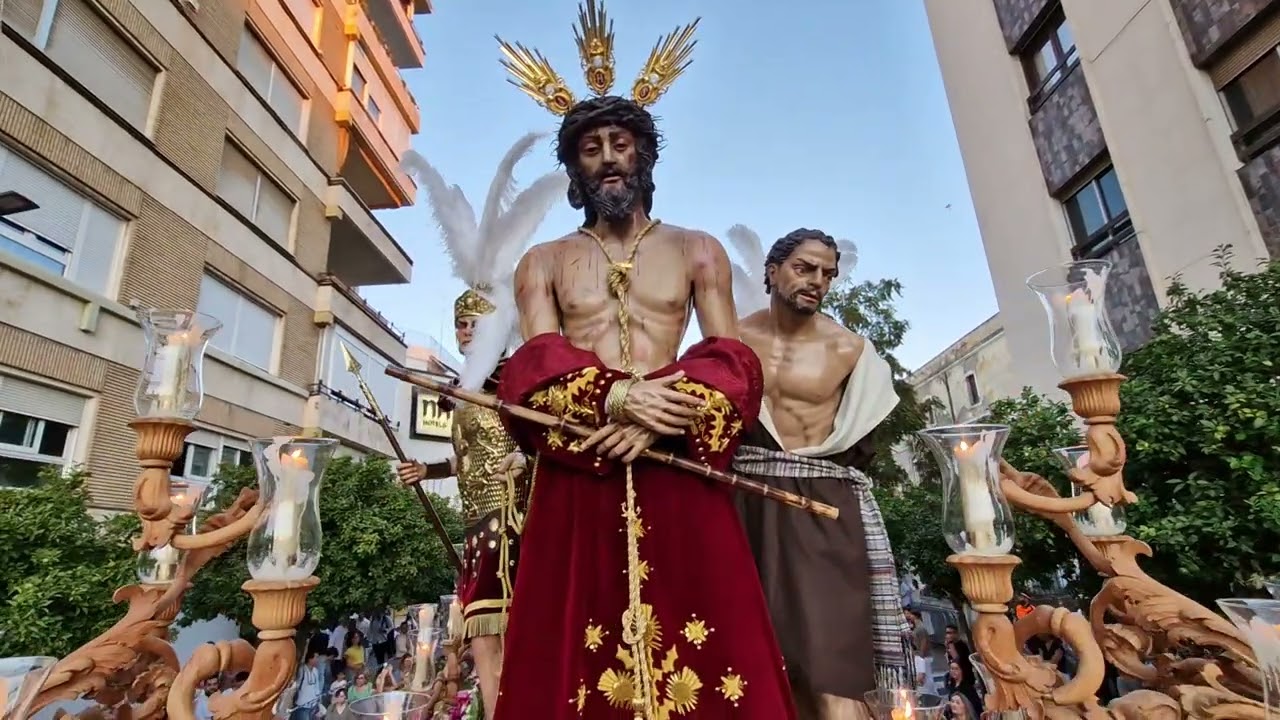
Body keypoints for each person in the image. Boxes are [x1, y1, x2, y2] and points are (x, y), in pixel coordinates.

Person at [488, 3, 795, 717]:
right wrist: (614, 401)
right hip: (583, 462)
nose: (608, 160)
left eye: (620, 144)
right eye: (590, 150)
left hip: (676, 457)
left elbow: (733, 362)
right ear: (574, 167)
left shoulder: (698, 249)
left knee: (710, 636)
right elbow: (534, 367)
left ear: (644, 155)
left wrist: (664, 411)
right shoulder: (543, 261)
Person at [397, 131, 566, 720]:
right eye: (459, 324)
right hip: (477, 519)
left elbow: (551, 436)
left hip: (518, 512)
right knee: (480, 633)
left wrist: (528, 460)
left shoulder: (517, 384)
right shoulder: (466, 393)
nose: (465, 333)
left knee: (513, 626)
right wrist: (432, 466)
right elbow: (467, 454)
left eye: (474, 323)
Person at [728, 227, 912, 718]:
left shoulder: (848, 350)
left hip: (821, 508)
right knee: (749, 667)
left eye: (828, 274)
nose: (818, 281)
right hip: (745, 503)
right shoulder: (731, 338)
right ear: (772, 272)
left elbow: (861, 442)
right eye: (804, 268)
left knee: (830, 668)